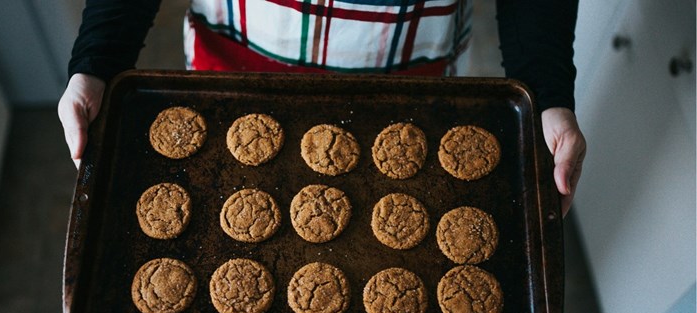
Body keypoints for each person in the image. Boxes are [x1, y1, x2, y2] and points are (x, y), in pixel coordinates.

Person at [59, 0, 586, 216]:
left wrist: (547, 91)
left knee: (397, 202)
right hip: (241, 52)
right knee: (238, 193)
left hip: (405, 68)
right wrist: (98, 60)